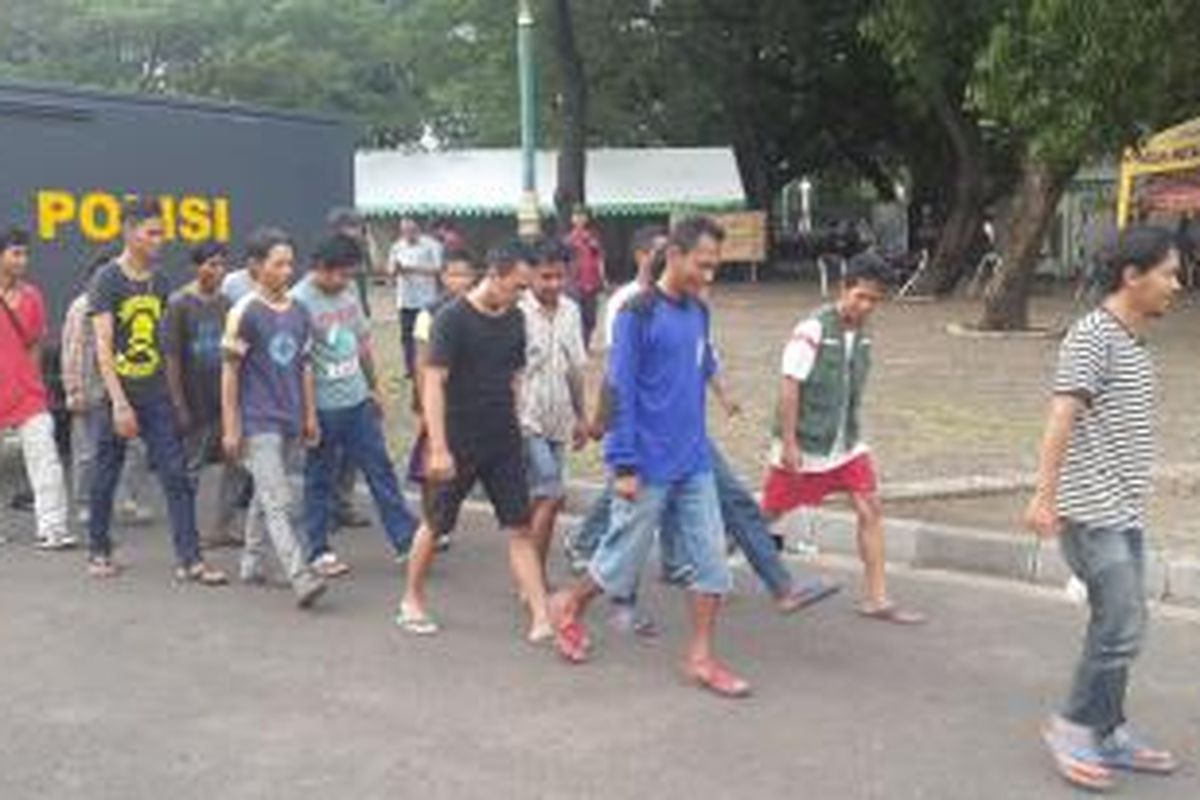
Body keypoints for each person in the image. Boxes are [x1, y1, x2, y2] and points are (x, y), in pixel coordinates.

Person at [550, 216, 750, 699]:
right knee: (620, 561)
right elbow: (619, 389)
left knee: (710, 565)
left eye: (715, 267)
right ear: (675, 255)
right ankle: (570, 606)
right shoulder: (636, 314)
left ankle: (700, 657)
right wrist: (623, 465)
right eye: (702, 264)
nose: (709, 275)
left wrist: (723, 396)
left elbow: (700, 367)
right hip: (646, 463)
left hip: (693, 460)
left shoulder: (699, 312)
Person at [1026, 225, 1180, 792]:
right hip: (1091, 511)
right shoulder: (1094, 335)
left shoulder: (1131, 340)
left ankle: (1108, 730)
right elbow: (1060, 417)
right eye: (1167, 272)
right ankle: (1073, 726)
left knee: (1116, 622)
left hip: (1122, 509)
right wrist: (1044, 496)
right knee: (1121, 625)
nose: (1177, 283)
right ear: (1131, 276)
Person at [397, 241, 550, 642]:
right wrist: (438, 446)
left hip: (502, 440)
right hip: (457, 439)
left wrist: (517, 426)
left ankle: (541, 616)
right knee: (435, 523)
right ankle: (411, 599)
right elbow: (433, 383)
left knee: (519, 526)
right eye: (518, 286)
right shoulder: (452, 319)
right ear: (495, 275)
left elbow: (513, 378)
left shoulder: (516, 319)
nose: (522, 296)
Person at [761, 251, 924, 625]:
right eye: (860, 296)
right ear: (844, 288)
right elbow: (789, 387)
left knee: (870, 507)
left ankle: (878, 598)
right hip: (805, 444)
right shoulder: (812, 329)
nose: (866, 306)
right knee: (767, 514)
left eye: (874, 300)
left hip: (846, 444)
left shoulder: (864, 334)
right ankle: (712, 565)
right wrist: (789, 443)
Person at [85, 199, 226, 584]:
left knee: (176, 475)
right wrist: (118, 404)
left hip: (155, 393)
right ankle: (98, 550)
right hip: (117, 395)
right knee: (105, 475)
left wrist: (171, 395)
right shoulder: (107, 280)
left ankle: (190, 558)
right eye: (152, 232)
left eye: (162, 232)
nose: (159, 240)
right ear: (130, 233)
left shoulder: (160, 282)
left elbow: (165, 345)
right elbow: (102, 345)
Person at [293, 233, 419, 576]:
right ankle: (318, 550)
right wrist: (308, 416)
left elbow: (363, 343)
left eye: (349, 275)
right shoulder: (299, 302)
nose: (346, 282)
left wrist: (374, 387)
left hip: (357, 401)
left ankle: (406, 541)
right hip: (322, 406)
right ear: (320, 268)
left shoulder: (347, 294)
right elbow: (300, 365)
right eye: (340, 274)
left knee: (380, 469)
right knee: (320, 477)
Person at [221, 227, 326, 608]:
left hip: (290, 418)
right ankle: (301, 576)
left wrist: (310, 415)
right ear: (255, 267)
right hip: (257, 420)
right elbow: (230, 371)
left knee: (267, 495)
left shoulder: (300, 312)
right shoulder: (245, 311)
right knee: (280, 500)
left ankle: (251, 562)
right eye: (278, 264)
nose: (287, 271)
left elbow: (305, 367)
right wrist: (232, 426)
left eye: (289, 263)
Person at [165, 242, 248, 549]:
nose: (217, 270)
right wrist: (178, 403)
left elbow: (235, 349)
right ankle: (186, 533)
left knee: (236, 462)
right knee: (192, 469)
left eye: (221, 264)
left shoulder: (227, 303)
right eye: (210, 264)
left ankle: (221, 528)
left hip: (223, 400)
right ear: (195, 267)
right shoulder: (179, 304)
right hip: (194, 400)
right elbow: (171, 358)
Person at [63, 247, 151, 527]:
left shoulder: (127, 302)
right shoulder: (82, 306)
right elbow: (73, 351)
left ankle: (126, 500)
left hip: (125, 388)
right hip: (91, 388)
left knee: (135, 447)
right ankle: (84, 504)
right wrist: (74, 390)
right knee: (88, 452)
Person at [0, 226, 74, 550]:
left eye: (25, 253)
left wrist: (33, 384)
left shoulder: (32, 297)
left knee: (46, 461)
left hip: (28, 396)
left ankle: (53, 528)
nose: (23, 260)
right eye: (16, 253)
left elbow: (34, 346)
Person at [519, 238, 589, 577]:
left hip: (559, 418)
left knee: (543, 500)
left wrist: (582, 416)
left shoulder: (571, 311)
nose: (554, 284)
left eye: (560, 277)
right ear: (530, 274)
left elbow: (575, 368)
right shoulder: (516, 311)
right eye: (546, 277)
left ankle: (533, 570)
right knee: (550, 490)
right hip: (524, 419)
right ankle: (531, 575)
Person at [406, 249, 480, 551]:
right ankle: (432, 521)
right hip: (436, 398)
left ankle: (444, 520)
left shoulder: (481, 308)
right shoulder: (429, 313)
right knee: (430, 464)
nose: (459, 280)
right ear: (442, 276)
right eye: (452, 274)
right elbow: (421, 360)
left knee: (460, 464)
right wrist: (424, 403)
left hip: (468, 399)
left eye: (464, 274)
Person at [324, 207, 373, 531]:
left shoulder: (355, 280)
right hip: (327, 375)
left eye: (359, 231)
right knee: (328, 450)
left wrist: (372, 381)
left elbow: (362, 330)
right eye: (350, 232)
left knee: (353, 449)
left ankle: (342, 503)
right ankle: (326, 508)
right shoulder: (321, 278)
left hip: (353, 368)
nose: (356, 237)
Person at [389, 217, 442, 380]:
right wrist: (396, 270)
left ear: (419, 229)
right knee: (406, 336)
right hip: (405, 299)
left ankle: (431, 364)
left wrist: (413, 269)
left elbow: (439, 270)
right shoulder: (396, 247)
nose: (408, 234)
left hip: (426, 299)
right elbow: (390, 271)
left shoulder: (432, 245)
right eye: (404, 231)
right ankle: (410, 368)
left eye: (411, 230)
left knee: (428, 334)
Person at [601, 225, 667, 350]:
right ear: (640, 256)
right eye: (659, 252)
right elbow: (615, 351)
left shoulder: (682, 300)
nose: (665, 259)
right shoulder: (620, 301)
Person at [565, 205, 606, 351]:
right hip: (575, 284)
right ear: (572, 219)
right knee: (577, 317)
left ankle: (585, 344)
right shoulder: (568, 240)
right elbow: (564, 262)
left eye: (582, 215)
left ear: (586, 218)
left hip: (592, 282)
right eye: (576, 215)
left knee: (591, 318)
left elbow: (600, 259)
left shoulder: (593, 239)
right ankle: (579, 347)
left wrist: (603, 278)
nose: (580, 218)